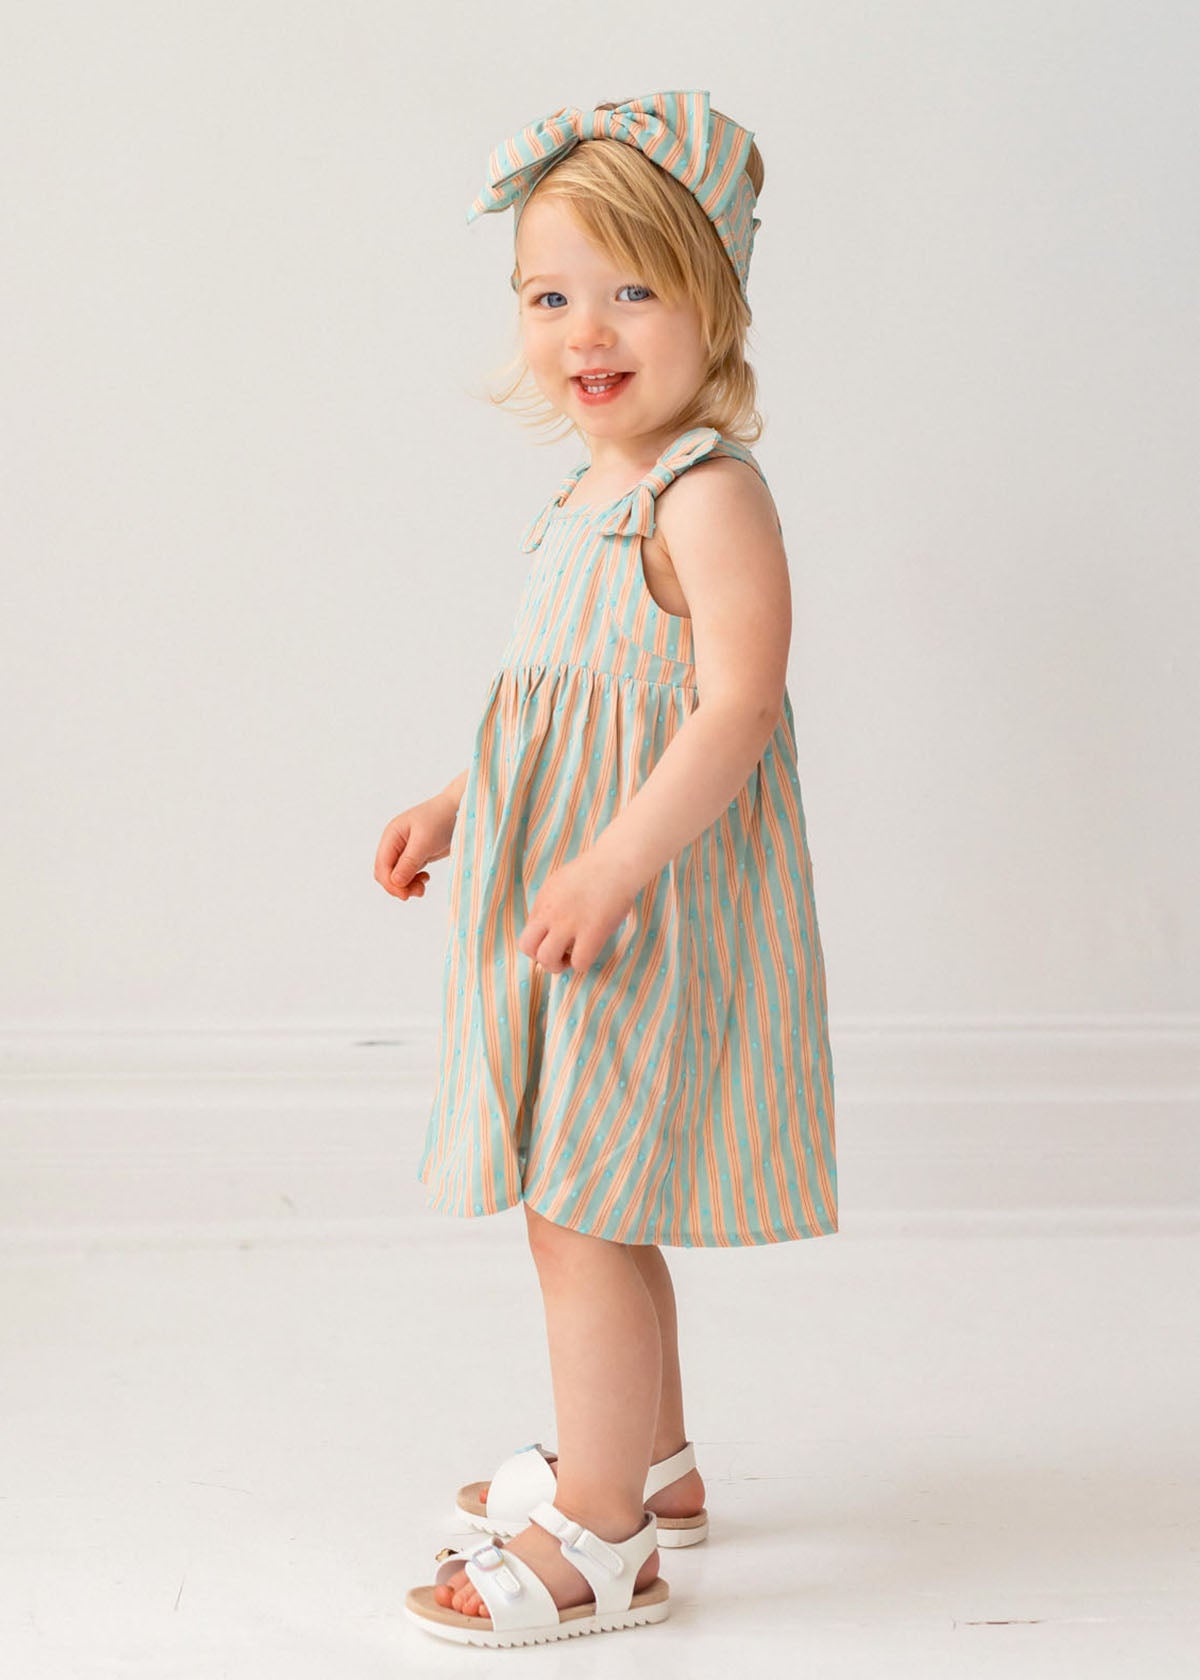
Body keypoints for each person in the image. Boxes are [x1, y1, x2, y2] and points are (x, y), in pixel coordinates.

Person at [374, 89, 839, 1649]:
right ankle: (652, 1460)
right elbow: (558, 708)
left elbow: (735, 707)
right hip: (571, 895)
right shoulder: (581, 497)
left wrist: (618, 863)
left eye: (635, 289)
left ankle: (602, 1534)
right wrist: (462, 804)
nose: (587, 330)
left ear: (718, 303)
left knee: (581, 1205)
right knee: (593, 1193)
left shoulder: (707, 495)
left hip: (645, 907)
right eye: (549, 295)